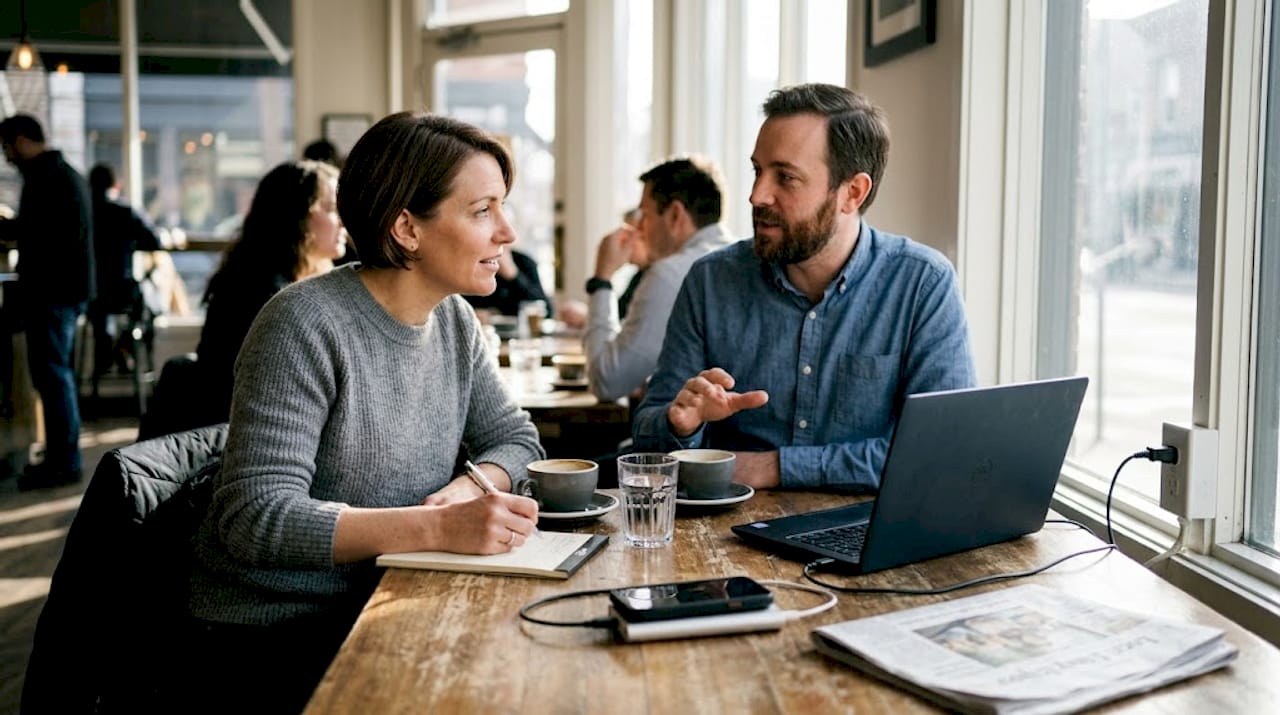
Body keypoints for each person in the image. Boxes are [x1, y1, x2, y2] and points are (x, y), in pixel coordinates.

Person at [183, 112, 544, 713]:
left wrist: (467, 488)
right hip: (274, 632)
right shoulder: (302, 324)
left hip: (388, 596)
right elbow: (254, 517)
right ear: (407, 228)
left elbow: (517, 440)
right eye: (482, 211)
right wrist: (435, 528)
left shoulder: (453, 319)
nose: (506, 232)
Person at [632, 84, 977, 492]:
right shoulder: (711, 281)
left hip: (867, 535)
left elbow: (941, 451)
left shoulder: (922, 283)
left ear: (853, 193)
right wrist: (679, 423)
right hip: (725, 536)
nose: (757, 195)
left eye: (786, 178)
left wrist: (774, 467)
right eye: (758, 171)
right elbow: (648, 433)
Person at [189, 159, 346, 428]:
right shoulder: (267, 297)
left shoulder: (262, 276)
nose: (343, 221)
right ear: (298, 217)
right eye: (332, 209)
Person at [583, 157, 735, 402]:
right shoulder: (738, 259)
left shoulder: (670, 275)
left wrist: (602, 279)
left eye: (645, 215)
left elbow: (606, 382)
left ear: (675, 215)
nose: (639, 228)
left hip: (686, 437)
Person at [0, 114, 94, 490]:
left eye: (7, 147)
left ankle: (63, 461)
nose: (7, 157)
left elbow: (34, 233)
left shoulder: (45, 176)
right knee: (57, 376)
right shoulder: (63, 172)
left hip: (53, 293)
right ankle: (62, 456)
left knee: (53, 377)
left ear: (22, 140)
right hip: (66, 291)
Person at [85, 162, 163, 378]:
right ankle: (124, 345)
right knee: (151, 302)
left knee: (101, 311)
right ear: (115, 184)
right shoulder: (124, 211)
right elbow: (154, 240)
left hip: (91, 291)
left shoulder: (84, 213)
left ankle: (106, 350)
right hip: (122, 288)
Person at [462, 247, 553, 319]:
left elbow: (546, 311)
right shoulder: (470, 263)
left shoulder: (524, 262)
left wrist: (513, 275)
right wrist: (473, 313)